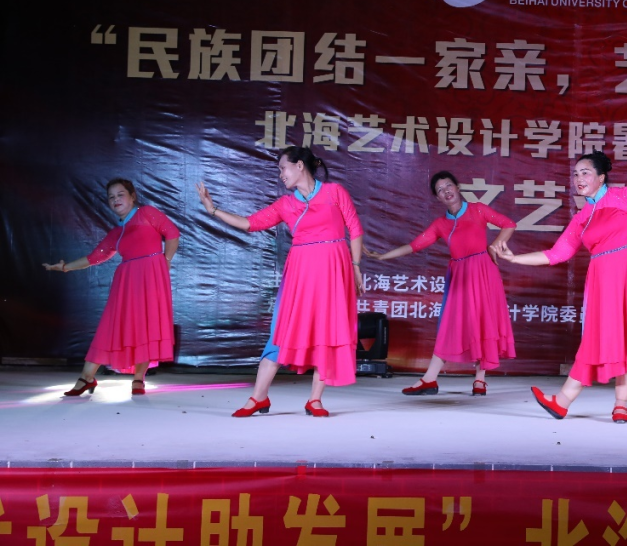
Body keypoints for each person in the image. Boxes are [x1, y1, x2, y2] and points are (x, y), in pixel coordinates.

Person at [494, 151, 627, 424]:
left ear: (601, 177)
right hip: (604, 279)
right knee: (601, 337)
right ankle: (564, 401)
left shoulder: (624, 196)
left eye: (585, 173)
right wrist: (514, 258)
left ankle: (616, 405)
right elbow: (557, 254)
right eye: (576, 174)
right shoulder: (581, 217)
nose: (579, 178)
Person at [195, 146, 364, 418]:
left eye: (283, 168)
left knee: (327, 333)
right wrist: (212, 209)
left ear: (299, 165)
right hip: (300, 274)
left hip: (334, 271)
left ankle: (315, 400)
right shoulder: (286, 204)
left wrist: (355, 267)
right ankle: (258, 397)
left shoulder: (335, 192)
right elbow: (250, 223)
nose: (281, 175)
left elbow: (354, 228)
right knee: (281, 332)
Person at [365, 171, 516, 396]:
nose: (446, 191)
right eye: (440, 190)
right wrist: (382, 256)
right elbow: (414, 245)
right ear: (437, 198)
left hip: (483, 272)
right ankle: (430, 379)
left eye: (448, 186)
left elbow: (509, 224)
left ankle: (479, 380)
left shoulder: (478, 209)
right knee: (450, 326)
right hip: (459, 276)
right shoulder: (440, 224)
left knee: (483, 322)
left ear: (457, 187)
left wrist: (495, 246)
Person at [43, 178, 180, 397]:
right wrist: (66, 267)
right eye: (111, 197)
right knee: (110, 327)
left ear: (132, 196)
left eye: (120, 194)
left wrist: (166, 261)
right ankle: (87, 376)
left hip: (152, 278)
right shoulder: (117, 232)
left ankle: (139, 378)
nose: (116, 199)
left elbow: (172, 233)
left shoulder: (147, 213)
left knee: (147, 326)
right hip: (126, 283)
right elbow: (94, 257)